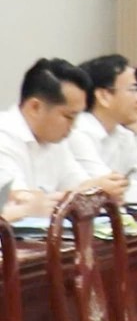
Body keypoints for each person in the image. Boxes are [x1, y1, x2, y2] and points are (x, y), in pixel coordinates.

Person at [0, 58, 111, 220]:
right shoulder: (4, 135)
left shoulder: (55, 141)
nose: (73, 126)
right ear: (35, 107)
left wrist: (99, 189)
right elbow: (18, 201)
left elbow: (78, 185)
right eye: (68, 116)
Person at [68, 54, 137, 188]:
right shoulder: (77, 131)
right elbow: (110, 189)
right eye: (133, 89)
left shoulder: (123, 135)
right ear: (104, 96)